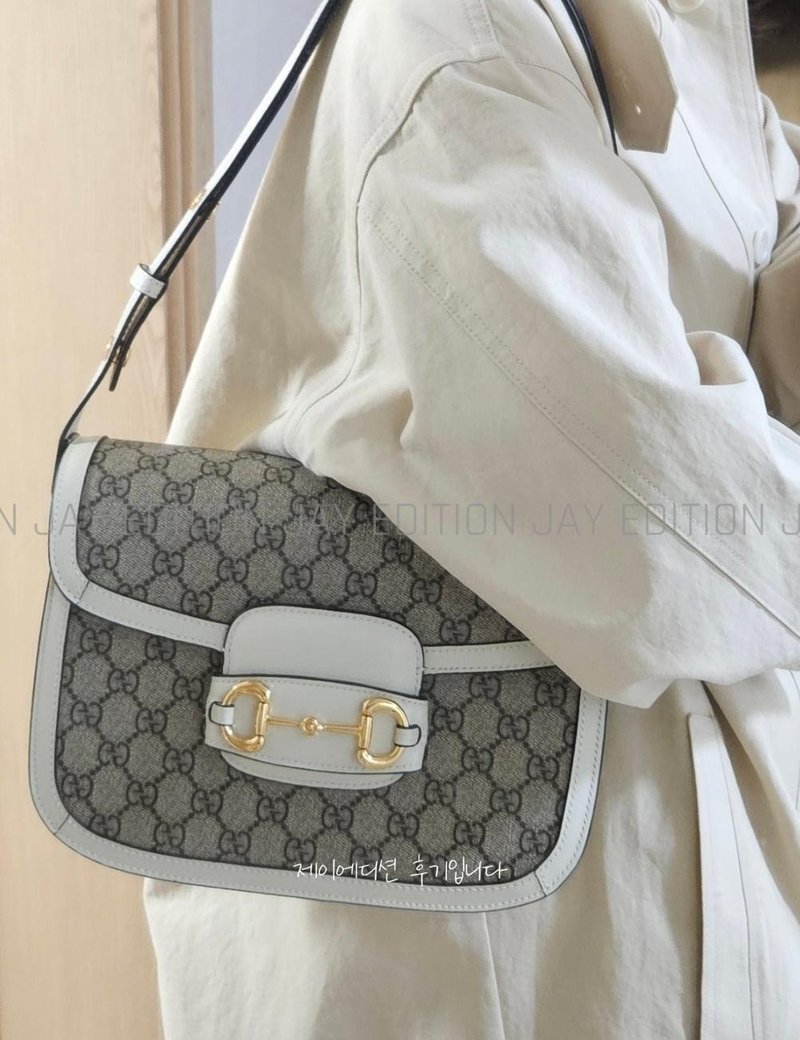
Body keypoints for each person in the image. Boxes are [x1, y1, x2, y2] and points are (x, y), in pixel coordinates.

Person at [143, 1, 800, 1037]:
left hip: (653, 918)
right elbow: (657, 537)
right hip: (490, 953)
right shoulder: (457, 39)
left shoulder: (681, 42)